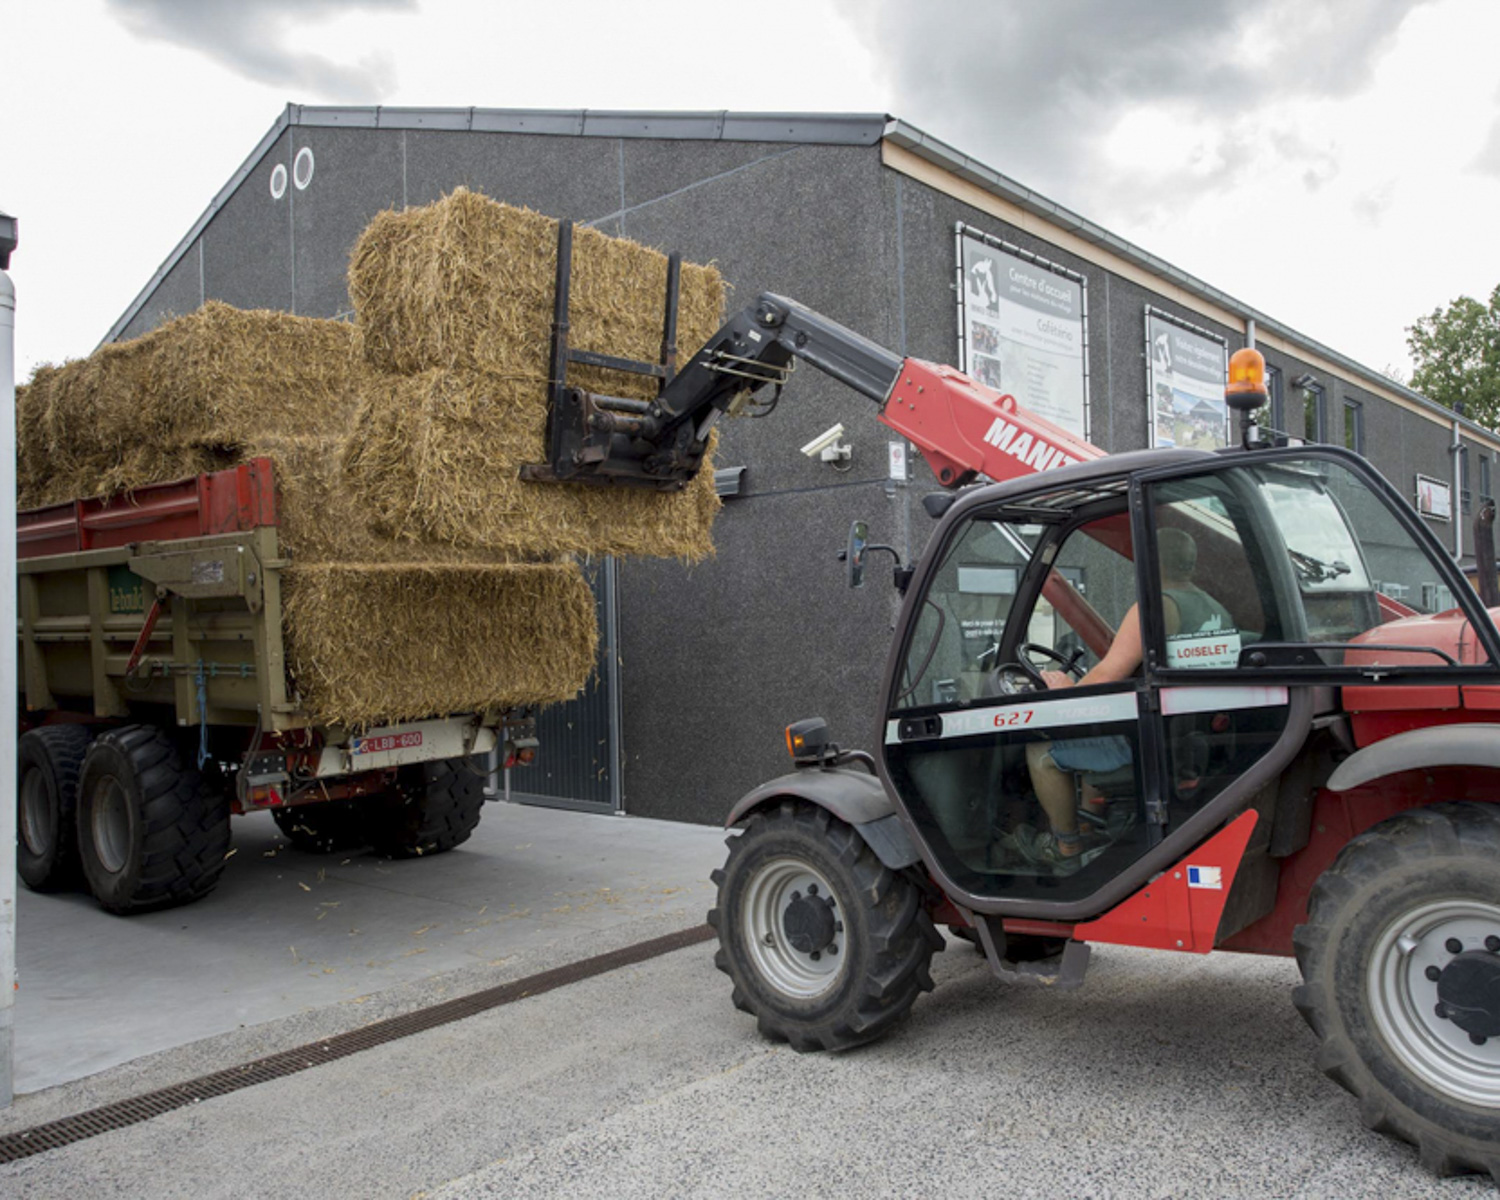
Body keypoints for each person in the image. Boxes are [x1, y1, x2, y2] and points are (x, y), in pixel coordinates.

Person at [1015, 527, 1231, 873]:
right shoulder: (1214, 608)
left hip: (1146, 742)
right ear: (1191, 564)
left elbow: (1107, 674)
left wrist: (1065, 691)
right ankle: (1090, 828)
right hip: (1186, 739)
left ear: (1149, 562)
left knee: (1040, 752)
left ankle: (1066, 846)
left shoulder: (1158, 606)